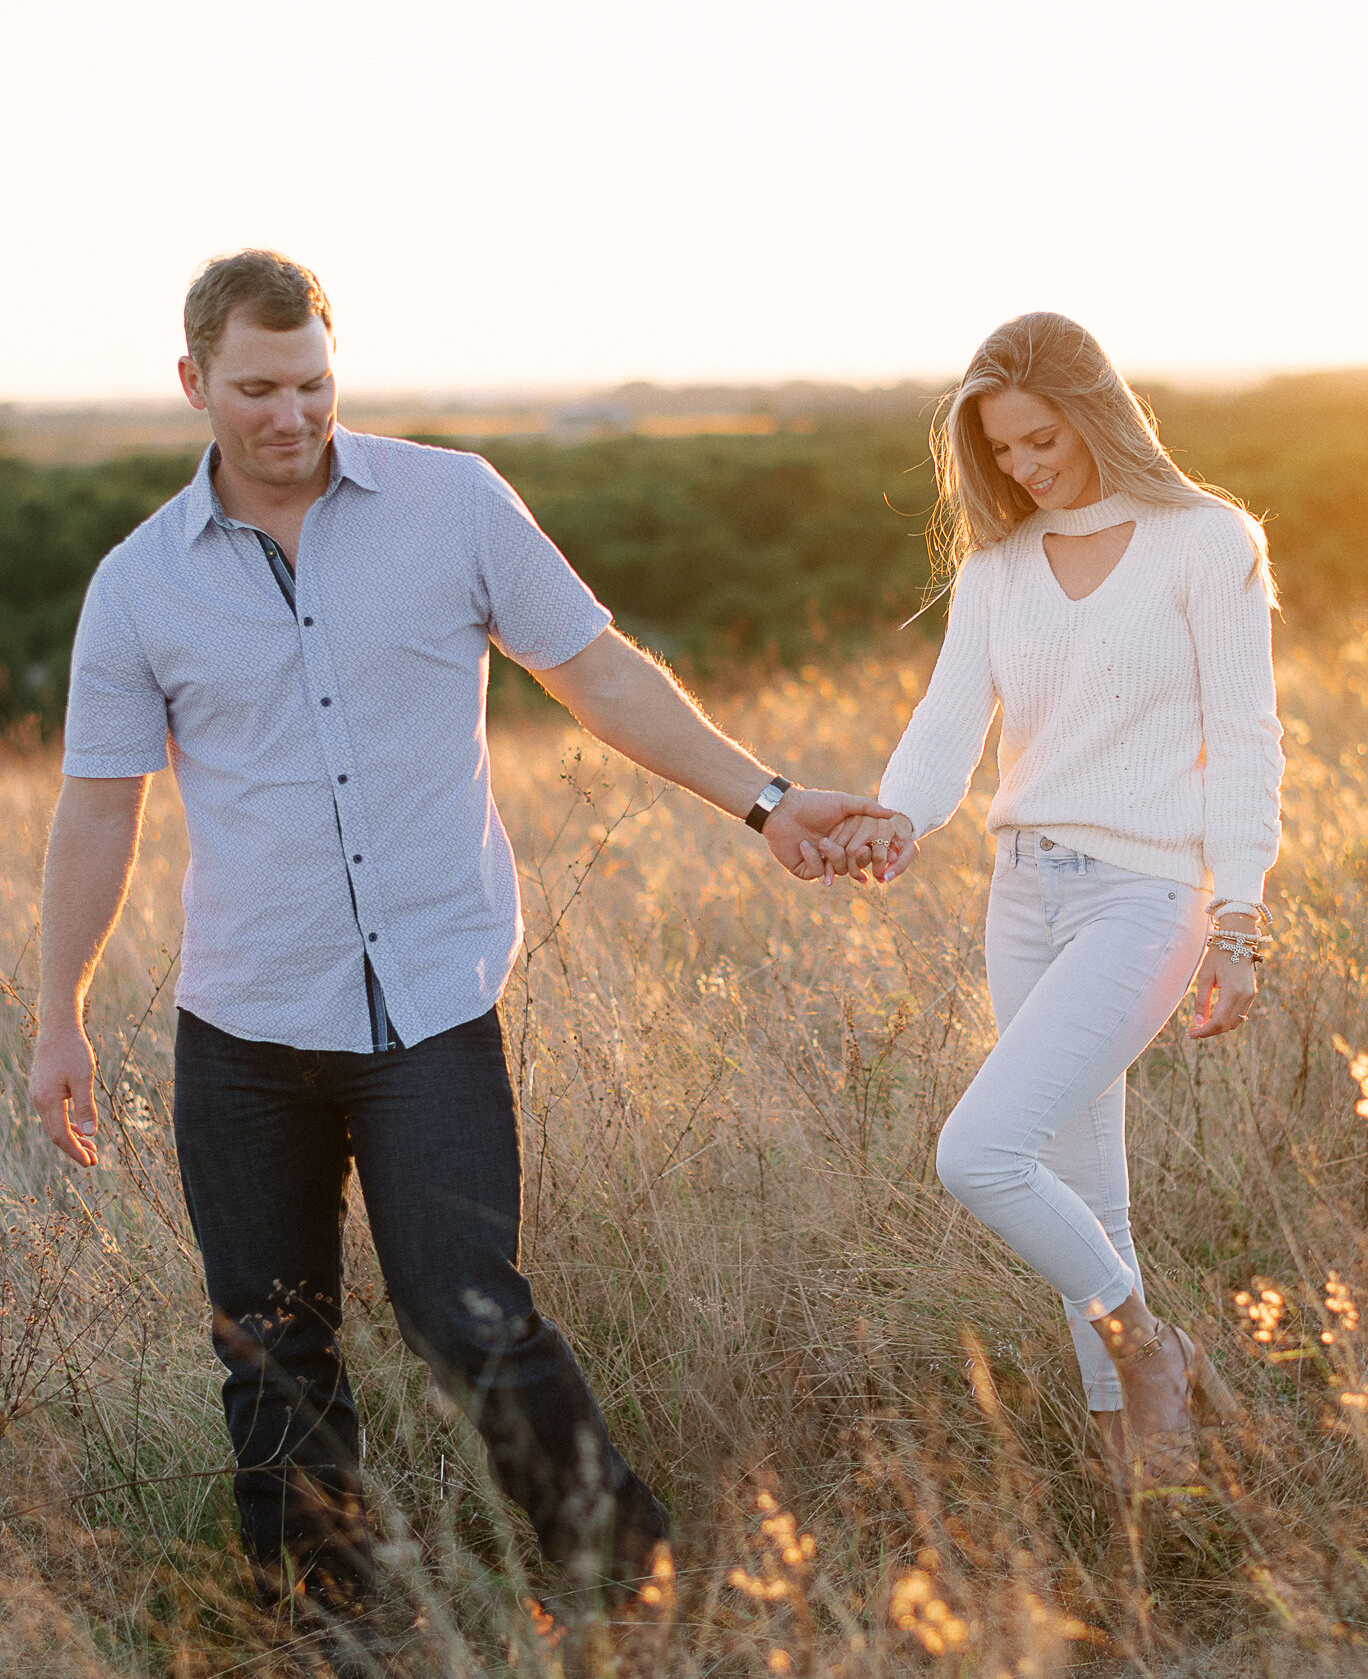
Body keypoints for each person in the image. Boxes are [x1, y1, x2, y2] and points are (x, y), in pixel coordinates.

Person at [27, 250, 894, 1635]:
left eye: (312, 381)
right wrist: (57, 1013)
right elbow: (95, 813)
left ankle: (635, 1588)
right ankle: (326, 1629)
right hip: (243, 1025)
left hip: (427, 1005)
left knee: (467, 1311)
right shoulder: (138, 588)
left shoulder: (456, 503)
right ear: (194, 383)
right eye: (255, 388)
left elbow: (597, 669)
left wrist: (769, 801)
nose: (289, 413)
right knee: (269, 1350)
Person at [816, 312, 1282, 1492]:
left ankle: (1150, 1353)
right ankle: (1154, 1481)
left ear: (1096, 409)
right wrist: (899, 818)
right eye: (1001, 451)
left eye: (1040, 439)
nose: (1023, 468)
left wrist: (1242, 918)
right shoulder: (998, 571)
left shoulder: (1205, 539)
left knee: (981, 1153)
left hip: (1147, 894)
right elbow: (946, 721)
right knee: (1082, 1184)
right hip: (1023, 891)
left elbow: (1246, 738)